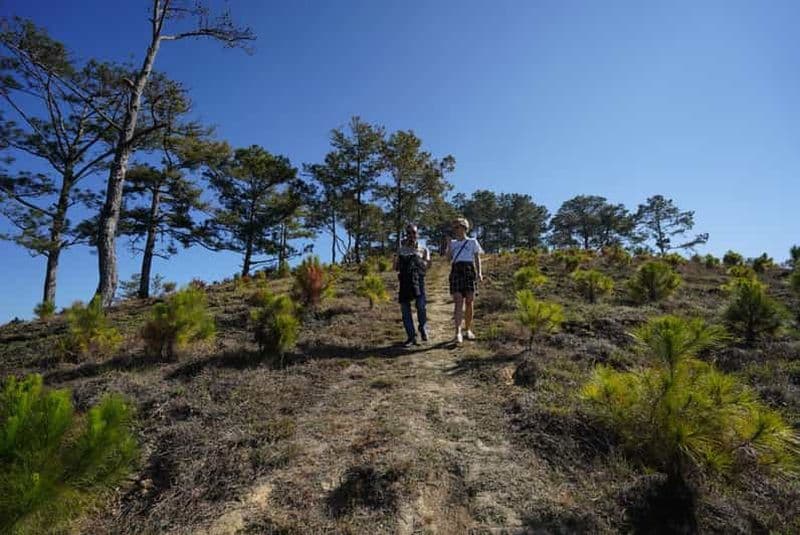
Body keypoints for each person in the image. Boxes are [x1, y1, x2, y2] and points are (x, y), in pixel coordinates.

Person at [446, 217, 484, 344]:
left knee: (469, 301)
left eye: (457, 227)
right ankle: (457, 332)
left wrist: (479, 272)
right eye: (454, 227)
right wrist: (448, 245)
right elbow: (448, 259)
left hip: (469, 270)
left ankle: (468, 329)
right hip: (456, 270)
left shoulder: (473, 242)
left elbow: (477, 258)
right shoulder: (453, 243)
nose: (455, 230)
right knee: (458, 301)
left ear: (464, 227)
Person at [394, 224, 432, 346]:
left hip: (419, 280)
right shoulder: (401, 249)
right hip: (404, 281)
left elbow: (427, 266)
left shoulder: (423, 249)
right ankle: (411, 337)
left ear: (417, 234)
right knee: (405, 309)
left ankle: (423, 327)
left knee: (421, 306)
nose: (411, 235)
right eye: (409, 233)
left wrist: (417, 258)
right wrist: (398, 256)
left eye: (414, 233)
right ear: (406, 234)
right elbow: (395, 267)